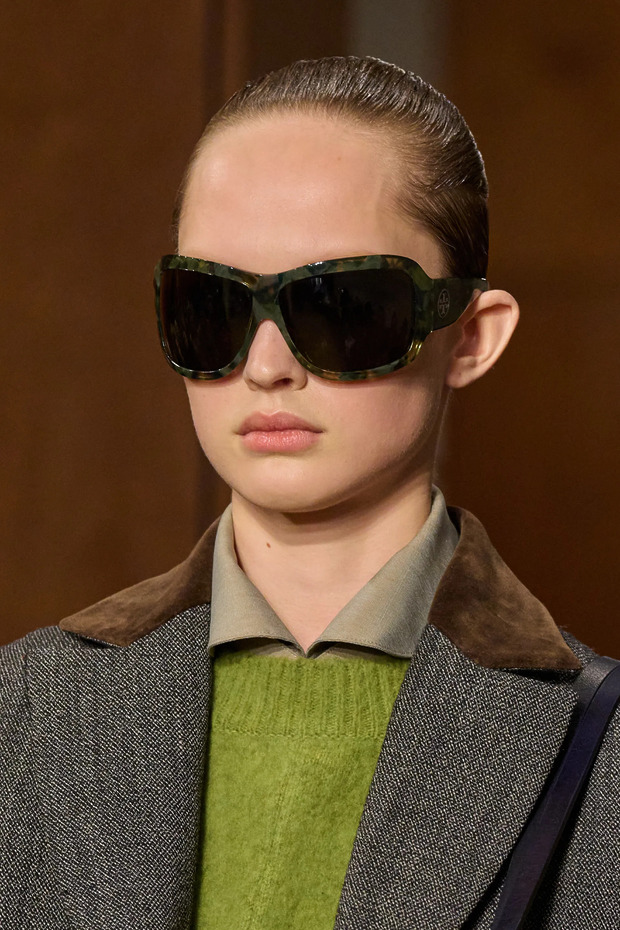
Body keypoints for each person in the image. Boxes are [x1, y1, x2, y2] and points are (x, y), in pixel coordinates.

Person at [1, 56, 618, 930]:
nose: (266, 366)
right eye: (211, 306)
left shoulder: (599, 748)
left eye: (340, 306)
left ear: (471, 337)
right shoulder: (26, 708)